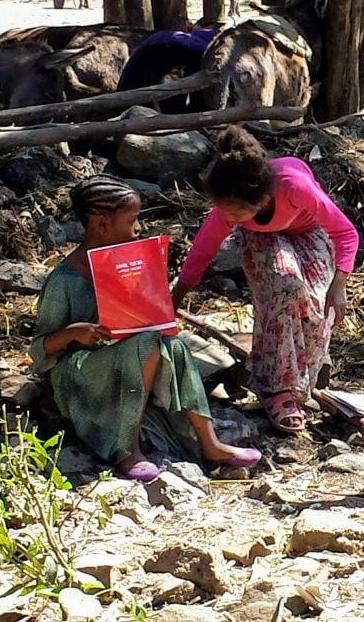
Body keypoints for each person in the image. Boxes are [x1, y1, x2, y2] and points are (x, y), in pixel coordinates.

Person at [30, 176, 263, 481]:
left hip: (130, 354)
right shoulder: (65, 279)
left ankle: (210, 443)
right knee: (144, 345)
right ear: (101, 224)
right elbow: (39, 349)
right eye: (131, 221)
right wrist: (74, 332)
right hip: (80, 371)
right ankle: (127, 449)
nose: (137, 228)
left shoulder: (129, 265)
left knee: (175, 345)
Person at [173, 127, 359, 434]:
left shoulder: (294, 187)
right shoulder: (230, 206)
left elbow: (345, 233)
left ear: (259, 201)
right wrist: (175, 299)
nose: (227, 219)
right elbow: (202, 251)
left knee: (314, 303)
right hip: (262, 239)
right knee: (285, 285)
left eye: (233, 213)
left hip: (307, 232)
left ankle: (306, 374)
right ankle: (277, 389)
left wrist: (338, 288)